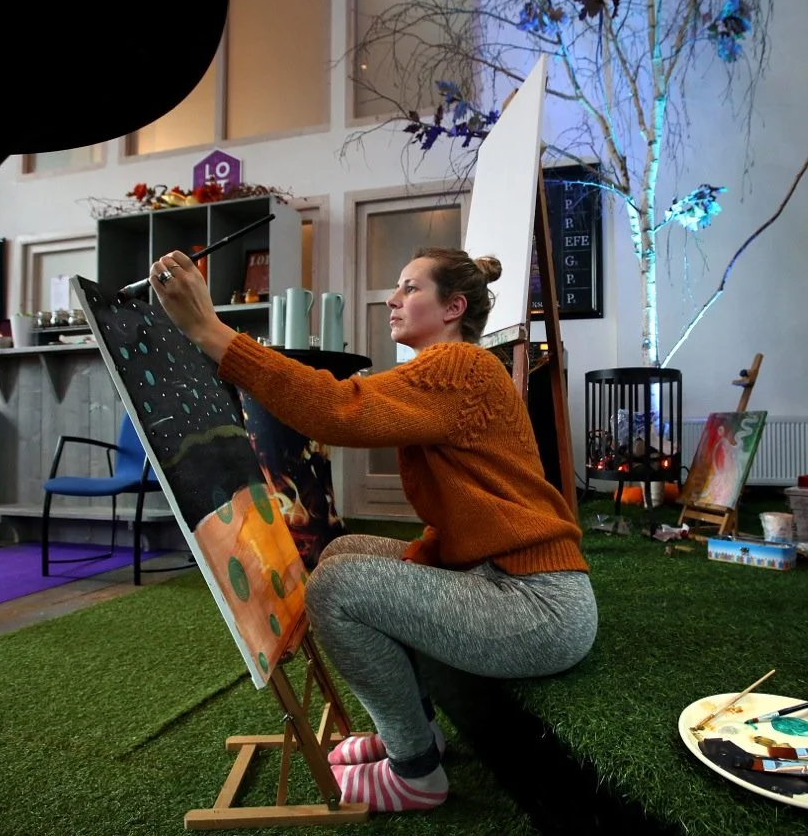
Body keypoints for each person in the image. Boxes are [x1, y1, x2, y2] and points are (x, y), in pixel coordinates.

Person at [150, 246, 597, 814]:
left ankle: (416, 774)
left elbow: (339, 408)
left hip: (539, 607)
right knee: (347, 548)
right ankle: (415, 731)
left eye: (411, 288)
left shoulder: (459, 366)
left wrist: (213, 333)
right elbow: (478, 510)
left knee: (335, 589)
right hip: (507, 581)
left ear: (454, 306)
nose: (393, 298)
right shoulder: (449, 372)